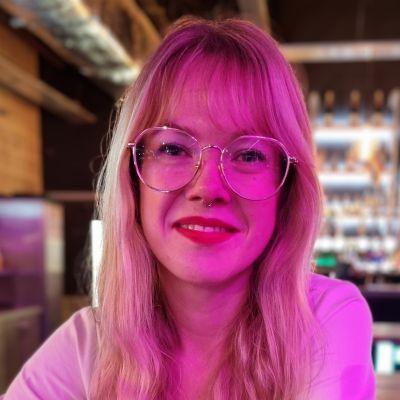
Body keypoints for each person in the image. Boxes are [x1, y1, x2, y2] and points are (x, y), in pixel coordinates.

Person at [2, 17, 375, 400]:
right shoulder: (86, 345)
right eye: (173, 148)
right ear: (133, 176)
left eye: (249, 154)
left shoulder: (326, 318)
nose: (207, 187)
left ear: (288, 186)